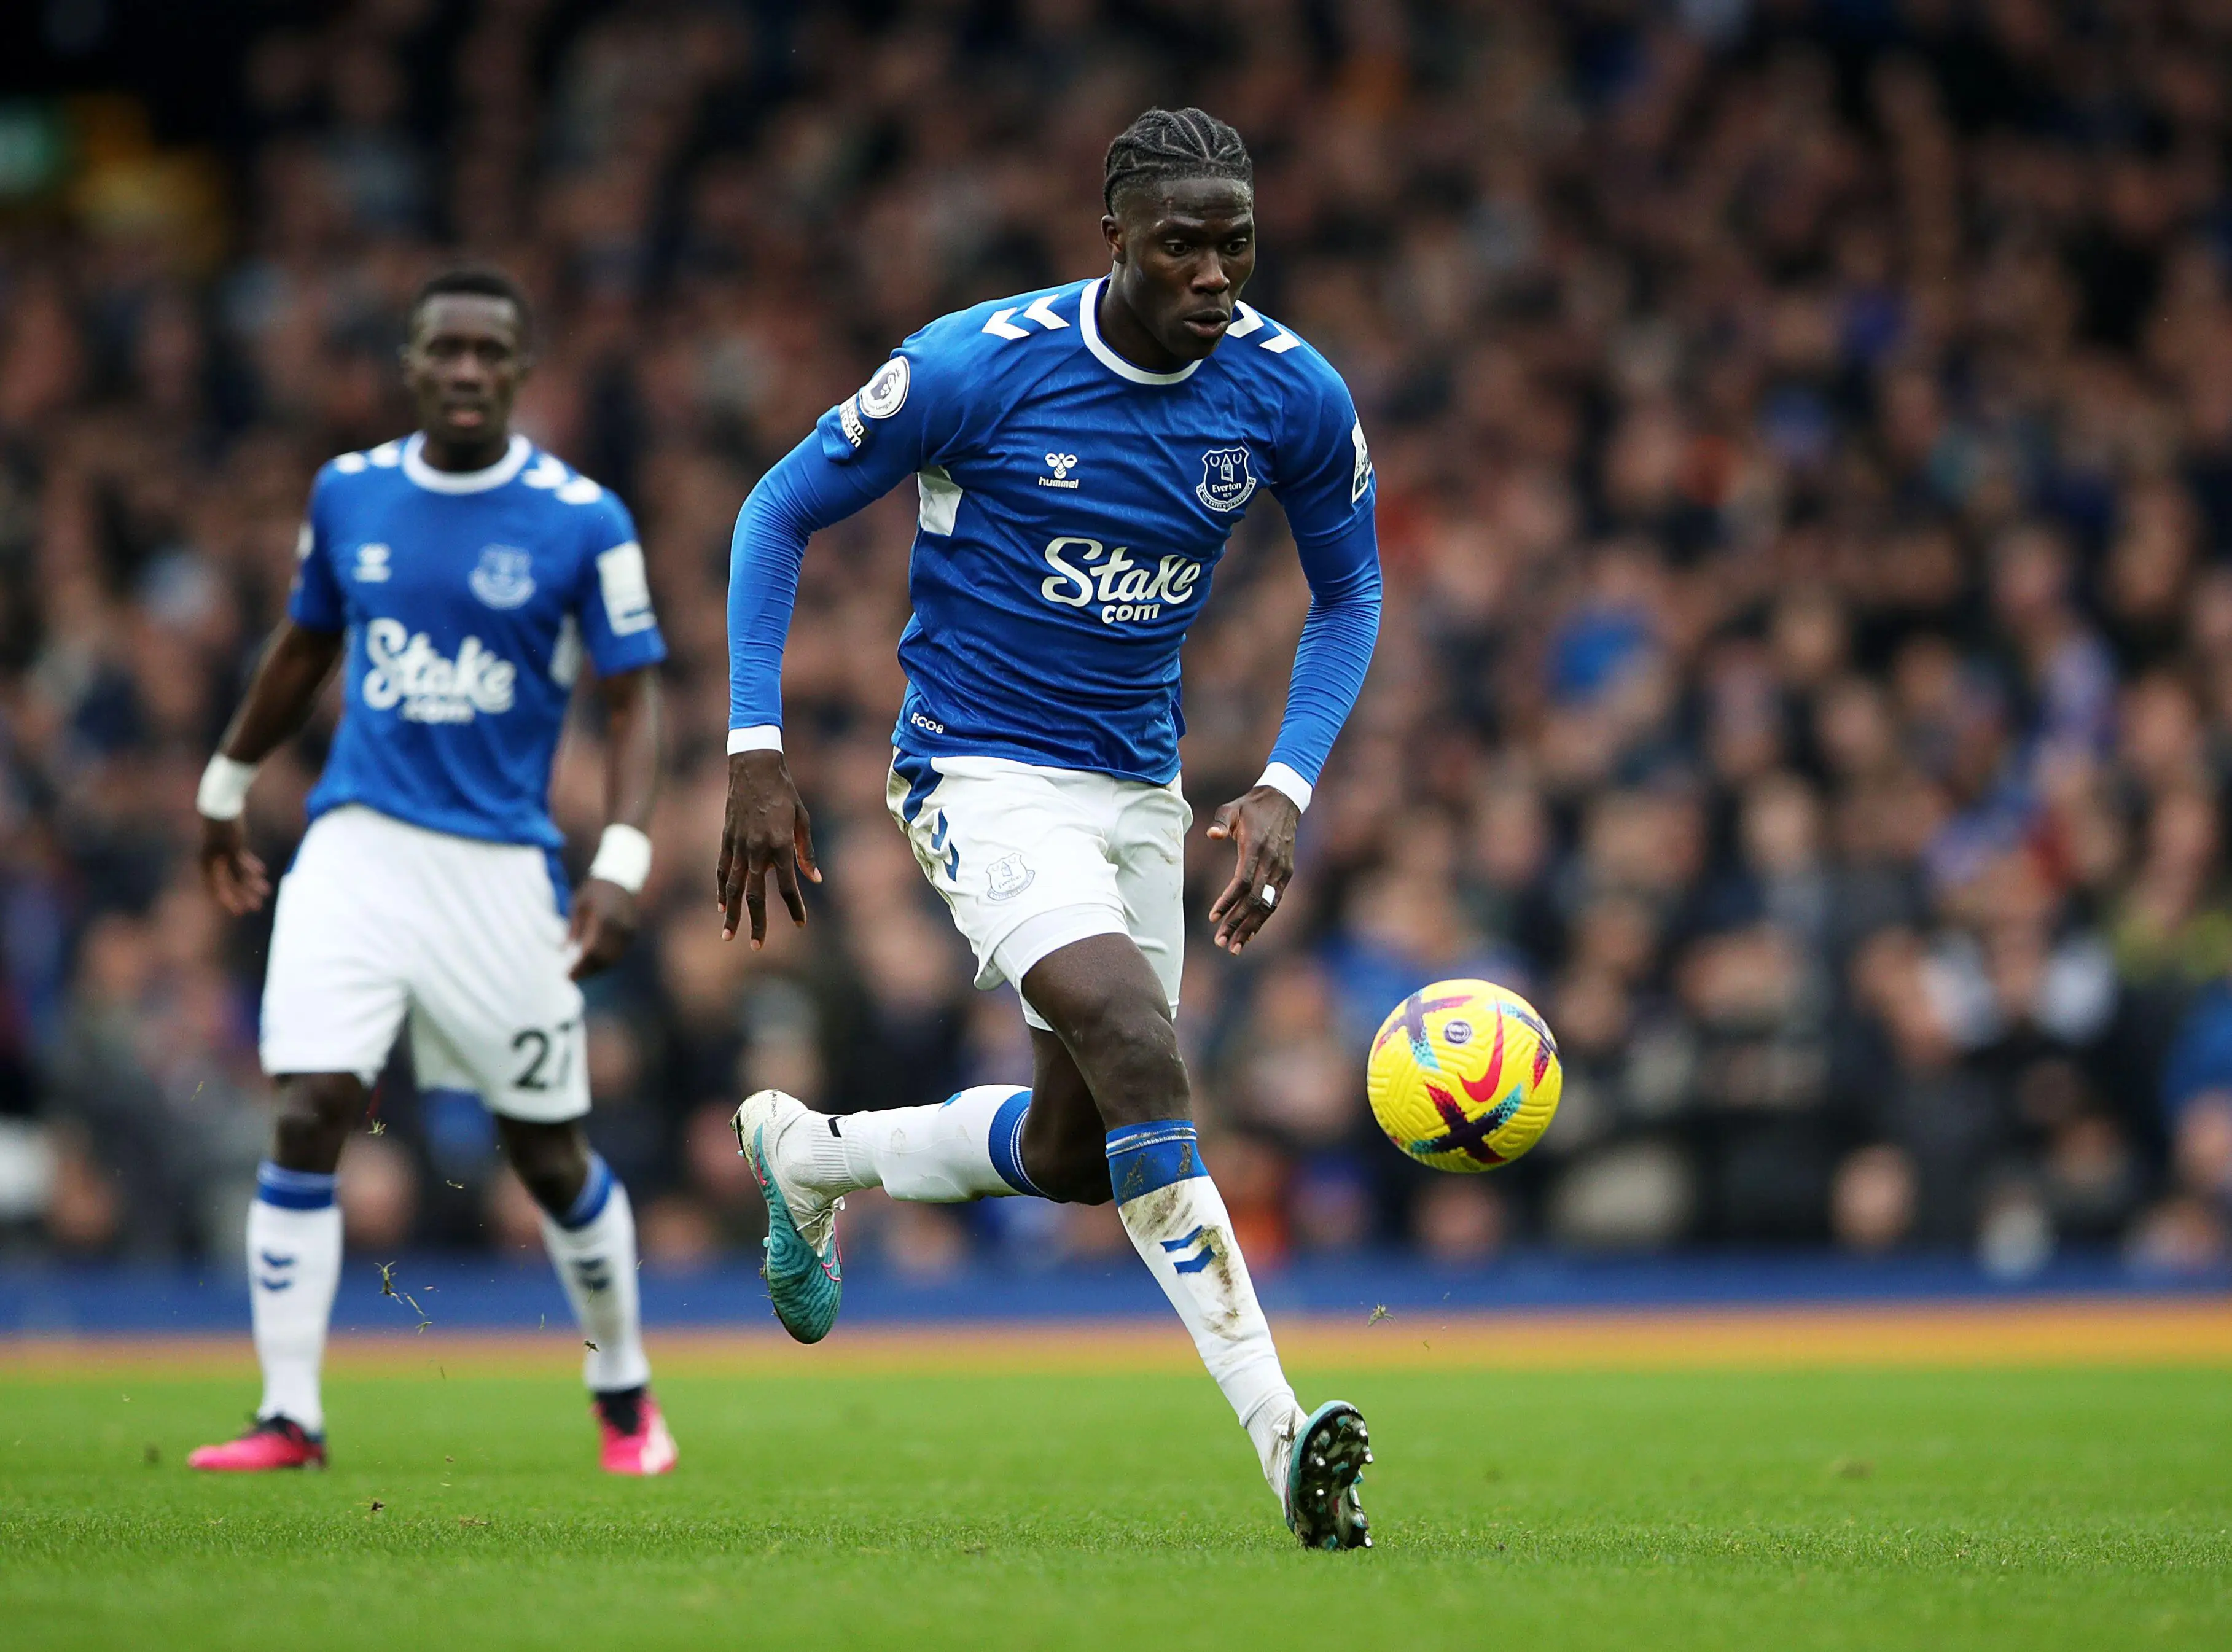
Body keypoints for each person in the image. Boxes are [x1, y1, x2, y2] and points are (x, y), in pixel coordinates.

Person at [718, 109, 1383, 1549]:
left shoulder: (1288, 394)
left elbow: (1350, 594)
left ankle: (812, 1158)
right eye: (1181, 246)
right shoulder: (976, 364)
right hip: (974, 769)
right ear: (1114, 240)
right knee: (1141, 1043)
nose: (1215, 275)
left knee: (1088, 1147)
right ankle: (1285, 1442)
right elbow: (777, 509)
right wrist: (754, 745)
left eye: (1236, 244)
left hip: (1136, 785)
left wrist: (1286, 783)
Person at [186, 268, 676, 1475]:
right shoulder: (349, 493)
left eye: (488, 353)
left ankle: (621, 1383)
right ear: (410, 364)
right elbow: (306, 644)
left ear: (520, 369)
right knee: (305, 1105)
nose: (464, 371)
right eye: (442, 351)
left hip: (501, 870)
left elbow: (632, 704)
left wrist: (619, 857)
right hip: (355, 848)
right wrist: (224, 782)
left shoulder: (581, 518)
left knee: (546, 1151)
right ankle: (288, 1412)